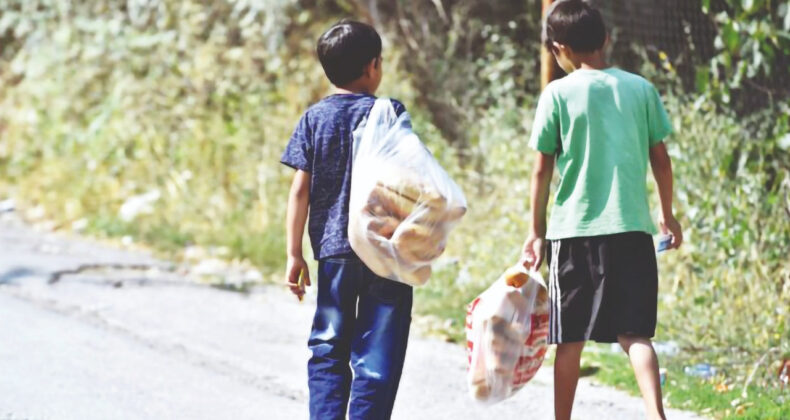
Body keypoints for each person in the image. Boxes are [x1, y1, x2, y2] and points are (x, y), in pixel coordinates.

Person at [521, 1, 683, 419]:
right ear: (606, 39)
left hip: (573, 233)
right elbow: (661, 159)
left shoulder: (555, 93)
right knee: (636, 335)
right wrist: (667, 213)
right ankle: (656, 414)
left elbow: (542, 169)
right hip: (631, 229)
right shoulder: (640, 88)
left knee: (569, 340)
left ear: (559, 48)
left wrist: (536, 231)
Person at [280, 19, 412, 420]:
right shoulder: (389, 114)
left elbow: (299, 191)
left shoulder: (314, 119)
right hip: (384, 253)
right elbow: (412, 180)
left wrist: (294, 254)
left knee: (328, 345)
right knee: (379, 351)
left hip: (335, 252)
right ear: (373, 66)